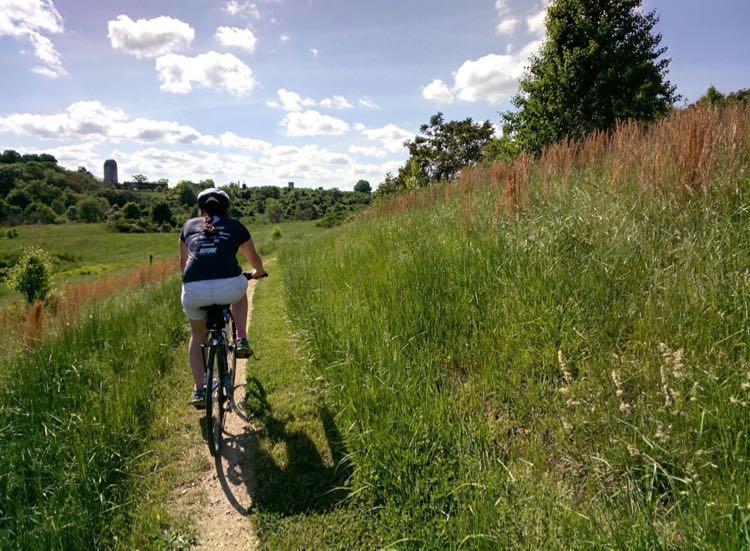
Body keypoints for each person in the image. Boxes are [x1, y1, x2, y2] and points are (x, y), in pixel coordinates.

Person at [179, 188, 266, 408]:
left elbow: (183, 263)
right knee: (240, 292)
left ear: (200, 208)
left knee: (197, 336)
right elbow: (253, 258)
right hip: (228, 286)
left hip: (193, 289)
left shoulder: (188, 227)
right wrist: (258, 272)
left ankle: (199, 390)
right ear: (227, 208)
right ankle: (241, 339)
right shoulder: (235, 226)